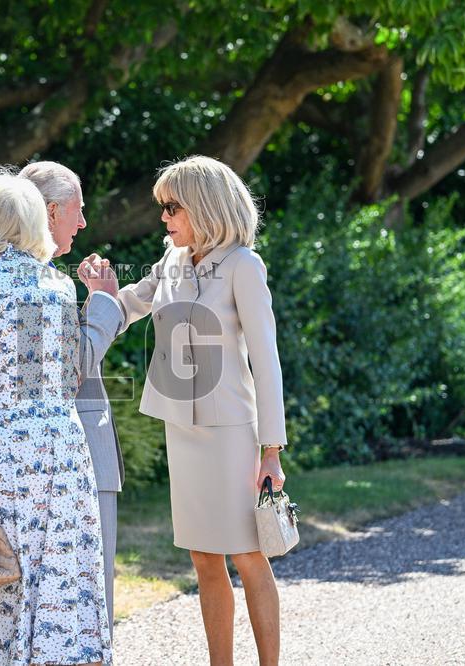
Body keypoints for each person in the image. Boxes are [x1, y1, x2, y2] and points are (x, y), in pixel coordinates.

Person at [112, 155, 287, 666]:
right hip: (182, 430)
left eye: (172, 207)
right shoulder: (172, 260)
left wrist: (271, 451)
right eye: (163, 208)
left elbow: (267, 362)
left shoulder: (243, 266)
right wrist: (87, 306)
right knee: (203, 558)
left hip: (232, 431)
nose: (163, 217)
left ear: (205, 206)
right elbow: (128, 303)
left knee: (248, 555)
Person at [0, 172, 112, 665]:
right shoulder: (57, 284)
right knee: (58, 573)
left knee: (3, 573)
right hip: (63, 450)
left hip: (7, 454)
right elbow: (64, 376)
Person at [19, 161, 125, 626]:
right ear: (50, 211)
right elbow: (73, 370)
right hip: (72, 465)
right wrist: (102, 301)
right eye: (77, 210)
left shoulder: (33, 276)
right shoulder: (38, 281)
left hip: (54, 464)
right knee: (87, 610)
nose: (83, 223)